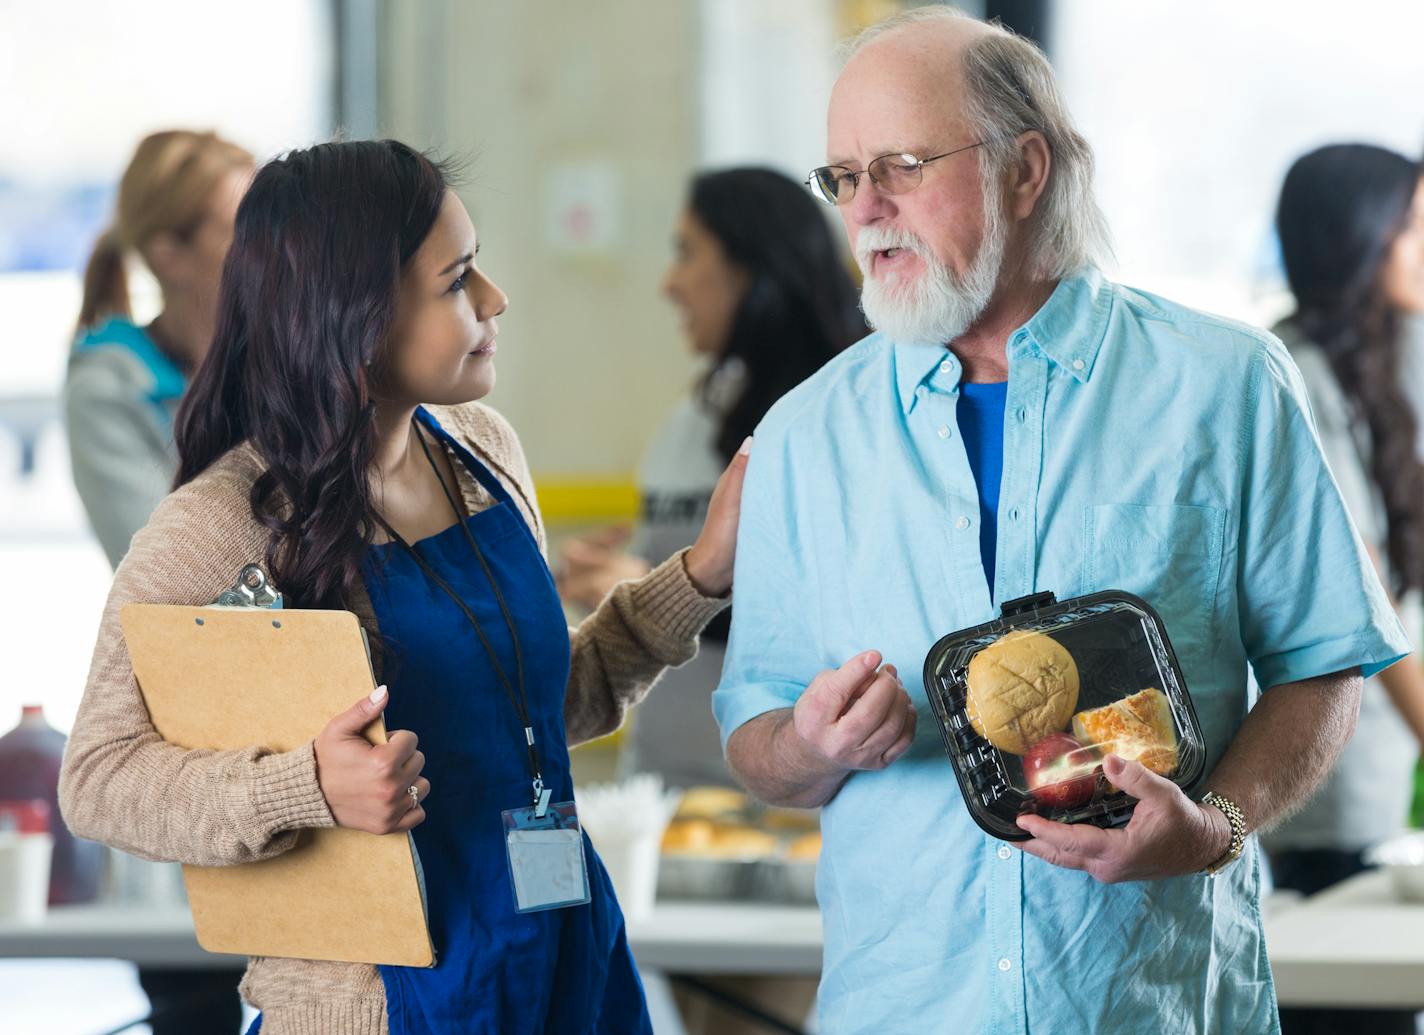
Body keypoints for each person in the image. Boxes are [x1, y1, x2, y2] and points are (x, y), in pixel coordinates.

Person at [711, 9, 1409, 1034]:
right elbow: (754, 729)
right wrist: (811, 745)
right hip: (901, 1011)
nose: (865, 210)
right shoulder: (804, 435)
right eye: (843, 178)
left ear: (1023, 170)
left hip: (1155, 1007)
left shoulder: (1221, 386)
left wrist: (1211, 828)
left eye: (899, 166)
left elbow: (1322, 666)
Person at [57, 139, 746, 1035]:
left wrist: (701, 575)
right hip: (375, 1005)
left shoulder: (482, 452)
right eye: (458, 280)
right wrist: (304, 787)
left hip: (560, 960)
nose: (494, 300)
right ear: (356, 315)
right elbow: (98, 780)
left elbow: (537, 708)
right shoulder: (220, 523)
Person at [559, 167, 864, 788]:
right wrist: (600, 582)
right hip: (669, 780)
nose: (670, 284)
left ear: (749, 266)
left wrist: (648, 587)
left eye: (687, 252)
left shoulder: (838, 415)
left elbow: (848, 615)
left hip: (792, 786)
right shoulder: (692, 416)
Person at [65, 128, 255, 1035]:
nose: (262, 242)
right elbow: (175, 585)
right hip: (185, 745)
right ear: (169, 252)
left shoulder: (282, 365)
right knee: (205, 1009)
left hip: (312, 736)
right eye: (234, 222)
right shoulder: (113, 384)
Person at [1265, 143, 1424, 1035]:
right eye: (1413, 228)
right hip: (1325, 789)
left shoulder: (1388, 356)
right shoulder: (1296, 370)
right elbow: (1370, 598)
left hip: (1378, 773)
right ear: (1359, 238)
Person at [67, 129, 255, 567]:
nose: (270, 250)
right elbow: (173, 572)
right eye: (241, 231)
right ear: (168, 256)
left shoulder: (291, 357)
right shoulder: (106, 389)